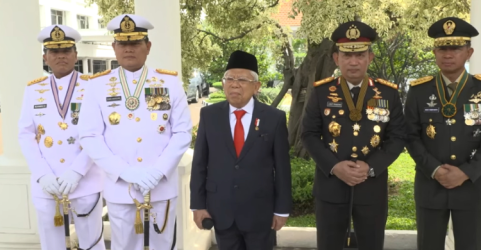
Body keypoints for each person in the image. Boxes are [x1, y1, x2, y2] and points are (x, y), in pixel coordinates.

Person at [77, 14, 192, 250]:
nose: (129, 49)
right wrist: (124, 172)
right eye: (123, 43)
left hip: (160, 186)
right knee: (124, 246)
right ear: (114, 47)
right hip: (121, 187)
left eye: (135, 43)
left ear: (148, 47)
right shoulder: (97, 85)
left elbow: (181, 132)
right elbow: (89, 135)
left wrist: (158, 171)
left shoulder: (167, 83)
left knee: (163, 244)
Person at [301, 21, 406, 250]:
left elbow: (398, 137)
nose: (354, 61)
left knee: (371, 244)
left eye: (360, 54)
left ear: (371, 57)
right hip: (331, 186)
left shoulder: (388, 93)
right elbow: (308, 134)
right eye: (347, 55)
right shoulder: (321, 92)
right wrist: (334, 166)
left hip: (372, 186)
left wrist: (370, 167)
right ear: (337, 59)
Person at [190, 50, 292, 250]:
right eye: (229, 78)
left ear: (256, 86)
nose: (234, 84)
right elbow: (200, 163)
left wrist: (282, 210)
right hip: (221, 210)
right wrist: (198, 205)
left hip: (260, 212)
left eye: (242, 79)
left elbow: (282, 168)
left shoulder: (274, 118)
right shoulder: (209, 115)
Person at [18, 24, 105, 250]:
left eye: (66, 51)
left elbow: (100, 133)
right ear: (45, 57)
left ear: (75, 55)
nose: (60, 56)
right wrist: (41, 174)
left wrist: (77, 171)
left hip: (84, 180)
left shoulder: (94, 86)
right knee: (50, 245)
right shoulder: (33, 90)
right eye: (54, 52)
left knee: (92, 243)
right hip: (47, 183)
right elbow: (26, 134)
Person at [405, 17, 481, 250]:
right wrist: (435, 170)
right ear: (434, 51)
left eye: (456, 48)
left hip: (472, 187)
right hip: (431, 186)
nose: (448, 54)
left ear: (469, 52)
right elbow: (410, 136)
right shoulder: (419, 91)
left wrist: (467, 172)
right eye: (443, 48)